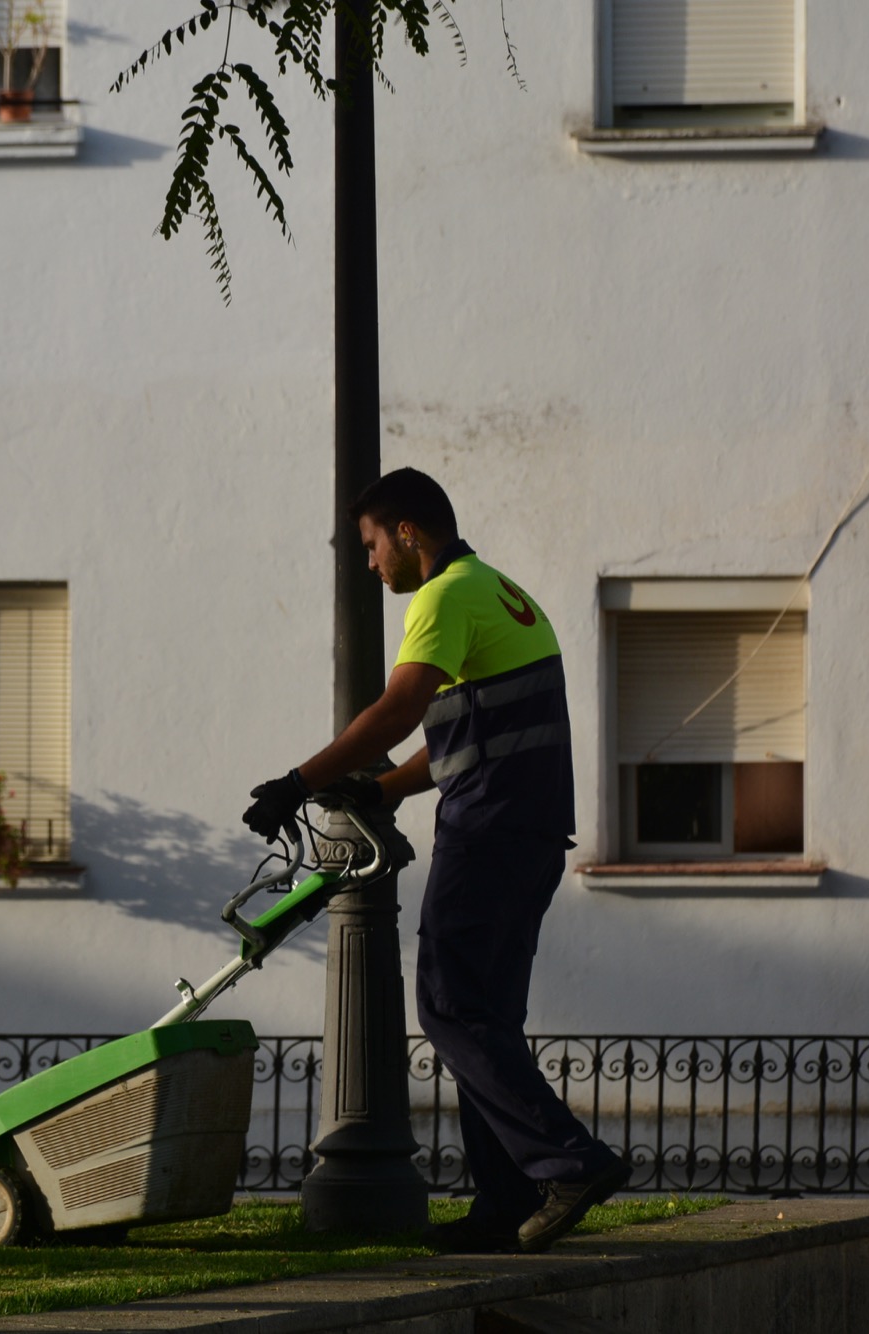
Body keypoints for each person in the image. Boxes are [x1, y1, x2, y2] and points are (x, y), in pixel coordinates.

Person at [243, 468, 629, 1254]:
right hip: (529, 831)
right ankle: (505, 1204)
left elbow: (400, 707)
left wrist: (296, 783)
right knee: (486, 1019)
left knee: (450, 1008)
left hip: (488, 829)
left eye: (371, 545)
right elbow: (466, 732)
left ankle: (571, 1163)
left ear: (407, 532)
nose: (370, 563)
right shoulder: (500, 591)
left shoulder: (443, 597)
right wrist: (382, 788)